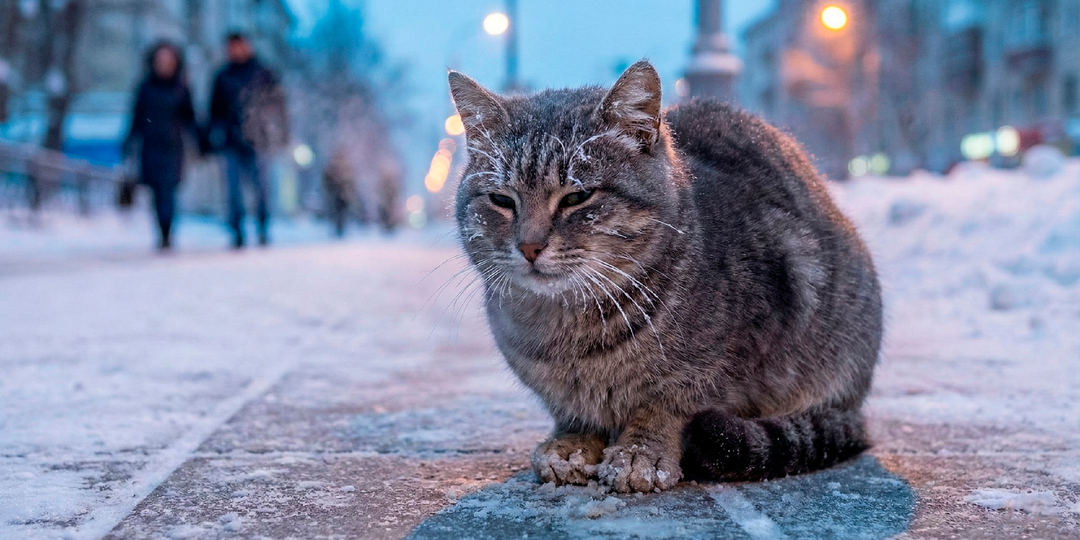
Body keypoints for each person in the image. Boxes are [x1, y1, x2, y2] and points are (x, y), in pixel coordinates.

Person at [207, 32, 289, 248]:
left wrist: (281, 134)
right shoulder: (222, 76)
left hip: (259, 140)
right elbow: (214, 111)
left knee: (261, 188)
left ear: (248, 46)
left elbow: (279, 107)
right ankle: (237, 231)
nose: (235, 51)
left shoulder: (264, 73)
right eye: (231, 47)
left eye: (239, 46)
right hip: (231, 141)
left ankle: (262, 226)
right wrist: (212, 137)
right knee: (233, 191)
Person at [123, 42, 197, 250]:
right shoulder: (146, 87)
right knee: (156, 190)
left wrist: (200, 141)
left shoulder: (181, 88)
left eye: (168, 60)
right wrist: (129, 141)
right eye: (161, 60)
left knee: (169, 189)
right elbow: (136, 117)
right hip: (151, 146)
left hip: (173, 147)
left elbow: (190, 117)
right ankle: (161, 229)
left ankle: (167, 230)